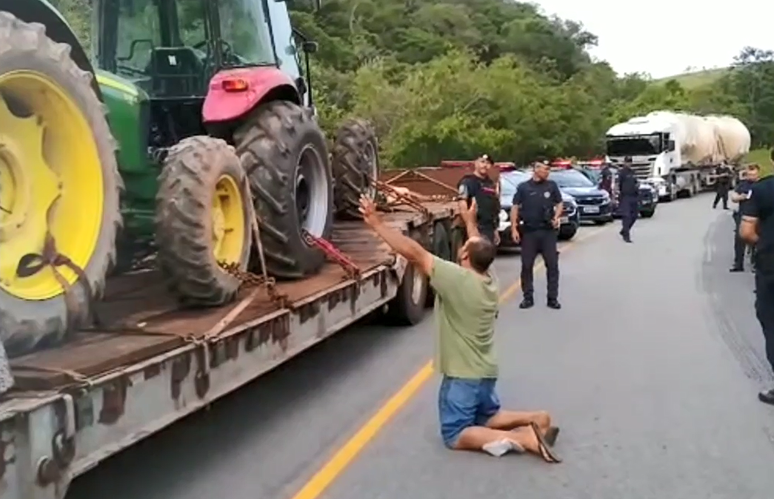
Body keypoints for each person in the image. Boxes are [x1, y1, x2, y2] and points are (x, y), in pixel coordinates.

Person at [358, 195, 561, 462]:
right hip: (485, 371)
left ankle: (524, 438)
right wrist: (470, 222)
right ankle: (535, 418)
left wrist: (376, 224)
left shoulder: (457, 280)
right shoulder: (488, 279)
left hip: (463, 375)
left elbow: (414, 252)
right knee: (487, 416)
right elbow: (479, 246)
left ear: (465, 255)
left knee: (455, 433)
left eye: (465, 245)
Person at [740, 150, 774, 405]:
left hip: (771, 266)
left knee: (771, 320)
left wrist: (764, 246)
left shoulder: (762, 191)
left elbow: (747, 231)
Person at [510, 160, 563, 309]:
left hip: (547, 232)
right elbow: (515, 207)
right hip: (529, 232)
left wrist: (556, 217)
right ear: (536, 169)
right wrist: (514, 228)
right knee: (527, 266)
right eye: (545, 169)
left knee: (552, 265)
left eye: (548, 169)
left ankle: (552, 298)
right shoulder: (523, 188)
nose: (547, 172)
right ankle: (528, 297)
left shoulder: (551, 186)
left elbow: (559, 203)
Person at [457, 154, 500, 245]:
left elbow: (494, 208)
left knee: (488, 257)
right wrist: (471, 228)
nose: (484, 165)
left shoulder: (491, 184)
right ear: (475, 163)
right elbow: (462, 207)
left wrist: (495, 230)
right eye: (482, 162)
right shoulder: (467, 182)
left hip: (489, 230)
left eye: (488, 163)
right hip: (475, 227)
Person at [730, 164, 760, 272]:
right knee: (739, 240)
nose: (752, 177)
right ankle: (738, 264)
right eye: (749, 175)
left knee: (755, 241)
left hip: (757, 216)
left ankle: (755, 264)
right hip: (743, 215)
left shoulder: (761, 185)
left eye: (754, 174)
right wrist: (741, 197)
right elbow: (733, 197)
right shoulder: (742, 185)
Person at [617, 157, 639, 243]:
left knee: (634, 216)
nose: (629, 163)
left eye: (630, 162)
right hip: (625, 196)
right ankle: (626, 235)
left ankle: (624, 230)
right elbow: (618, 184)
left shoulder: (633, 172)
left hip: (634, 196)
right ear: (624, 162)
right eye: (627, 162)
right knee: (626, 216)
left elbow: (636, 182)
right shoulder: (622, 173)